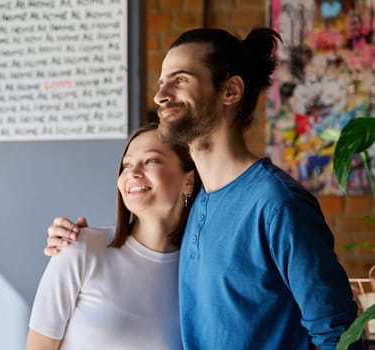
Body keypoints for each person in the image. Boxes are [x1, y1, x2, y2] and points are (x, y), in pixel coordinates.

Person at [44, 28, 361, 349]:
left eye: (180, 80)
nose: (161, 96)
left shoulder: (278, 204)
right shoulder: (198, 203)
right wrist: (73, 239)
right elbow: (144, 243)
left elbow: (339, 336)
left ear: (231, 91)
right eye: (161, 83)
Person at [26, 122, 201, 350]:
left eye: (151, 160)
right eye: (126, 165)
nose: (133, 172)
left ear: (188, 181)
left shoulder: (198, 273)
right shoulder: (80, 248)